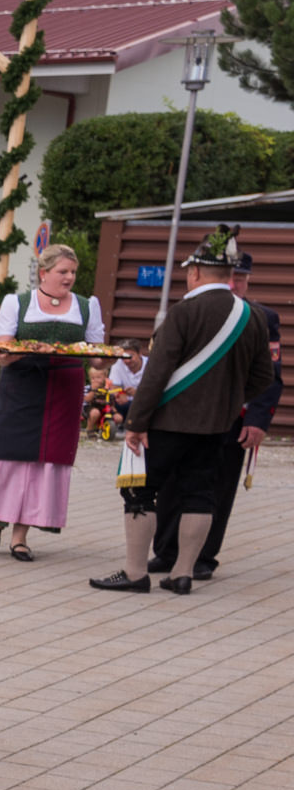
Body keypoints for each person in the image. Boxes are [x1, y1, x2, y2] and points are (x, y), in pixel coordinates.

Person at [93, 224, 274, 596]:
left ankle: (135, 573)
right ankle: (182, 573)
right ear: (230, 273)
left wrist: (136, 422)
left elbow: (157, 373)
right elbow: (262, 378)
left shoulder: (184, 312)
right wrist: (227, 402)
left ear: (195, 272)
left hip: (168, 422)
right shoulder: (252, 316)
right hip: (217, 427)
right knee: (200, 494)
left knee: (139, 491)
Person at [150, 248, 282, 580]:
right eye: (231, 277)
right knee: (170, 486)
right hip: (181, 415)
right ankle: (166, 552)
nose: (234, 284)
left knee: (216, 488)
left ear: (248, 281)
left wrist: (257, 420)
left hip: (231, 419)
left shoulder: (260, 317)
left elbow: (269, 376)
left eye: (241, 279)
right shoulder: (190, 310)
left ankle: (203, 556)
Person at [0, 243, 105, 561]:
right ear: (44, 273)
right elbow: (3, 350)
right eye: (63, 271)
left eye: (73, 272)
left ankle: (20, 537)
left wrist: (110, 358)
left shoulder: (87, 306)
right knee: (6, 456)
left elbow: (96, 355)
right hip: (21, 385)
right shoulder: (17, 303)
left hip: (64, 389)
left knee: (45, 461)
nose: (69, 277)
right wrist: (15, 352)